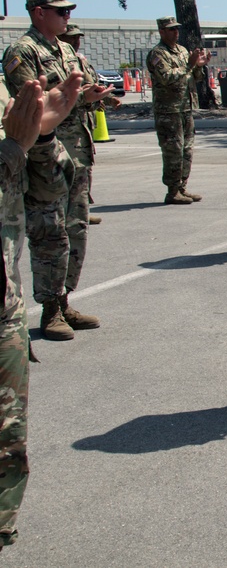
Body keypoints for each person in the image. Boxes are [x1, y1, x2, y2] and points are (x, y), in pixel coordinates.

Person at [0, 71, 84, 552]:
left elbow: (50, 188)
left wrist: (44, 135)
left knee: (8, 438)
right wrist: (14, 146)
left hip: (6, 304)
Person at [2, 0, 110, 341]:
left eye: (68, 12)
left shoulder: (65, 50)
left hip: (76, 151)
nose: (66, 17)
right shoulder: (23, 51)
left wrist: (91, 97)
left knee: (76, 227)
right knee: (50, 230)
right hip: (44, 155)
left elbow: (72, 98)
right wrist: (72, 101)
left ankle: (64, 299)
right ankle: (50, 309)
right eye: (60, 12)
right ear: (38, 13)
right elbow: (30, 106)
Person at [58, 23, 122, 228]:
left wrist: (109, 98)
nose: (76, 41)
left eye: (78, 38)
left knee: (84, 170)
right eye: (72, 38)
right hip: (64, 126)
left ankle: (81, 210)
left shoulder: (80, 61)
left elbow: (93, 85)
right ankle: (70, 214)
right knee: (68, 172)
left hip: (83, 123)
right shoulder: (61, 62)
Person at [146, 15, 211, 204]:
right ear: (162, 32)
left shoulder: (182, 51)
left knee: (187, 149)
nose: (176, 33)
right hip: (168, 110)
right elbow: (167, 77)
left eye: (177, 29)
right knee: (173, 150)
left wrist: (199, 66)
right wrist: (190, 64)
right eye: (171, 29)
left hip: (185, 107)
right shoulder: (158, 54)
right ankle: (172, 190)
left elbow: (193, 78)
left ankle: (182, 186)